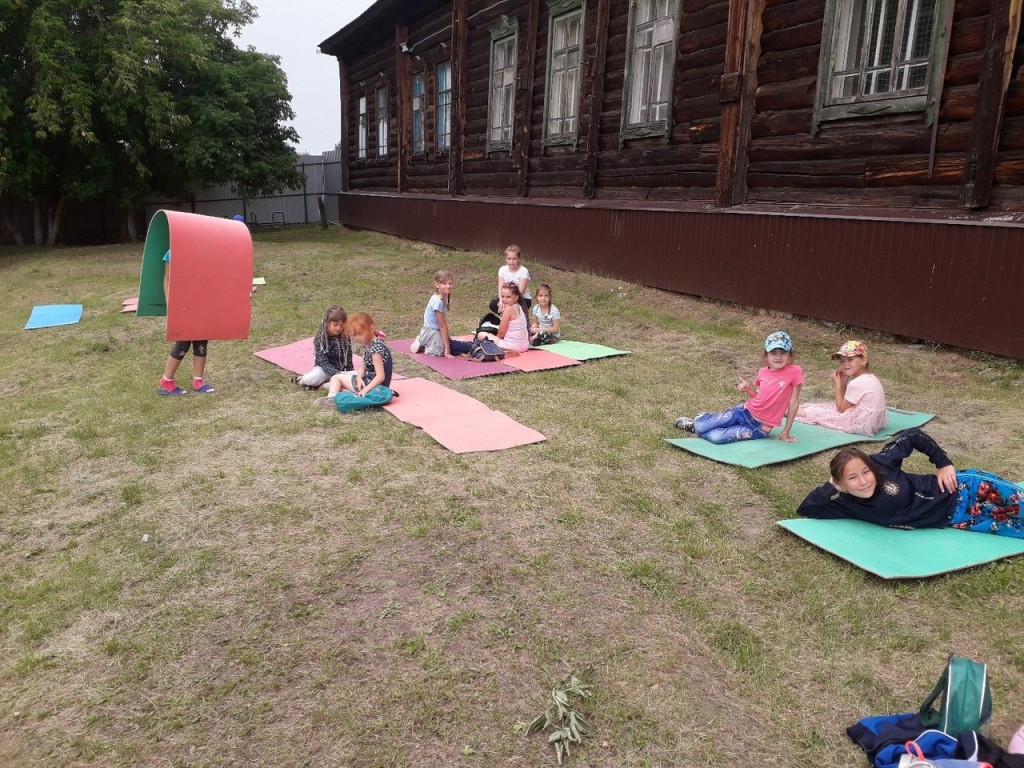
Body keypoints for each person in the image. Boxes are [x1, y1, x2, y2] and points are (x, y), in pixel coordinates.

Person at [797, 428, 1023, 538]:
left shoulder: (882, 464)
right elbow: (807, 509)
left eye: (866, 472)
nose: (864, 481)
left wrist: (943, 463)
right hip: (958, 519)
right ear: (841, 484)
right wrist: (830, 487)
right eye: (852, 478)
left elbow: (912, 435)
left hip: (967, 490)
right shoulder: (847, 505)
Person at [674, 331, 803, 443]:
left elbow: (794, 401)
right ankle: (704, 420)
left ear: (790, 355)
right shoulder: (763, 372)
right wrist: (748, 389)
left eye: (783, 353)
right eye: (773, 353)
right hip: (743, 411)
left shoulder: (795, 371)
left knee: (715, 437)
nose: (778, 357)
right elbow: (761, 397)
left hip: (760, 427)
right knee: (702, 426)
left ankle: (697, 427)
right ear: (766, 356)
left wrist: (786, 431)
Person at [795, 340, 887, 436]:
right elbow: (845, 403)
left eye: (850, 359)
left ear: (864, 361)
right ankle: (793, 407)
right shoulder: (871, 377)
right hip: (873, 422)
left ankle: (788, 411)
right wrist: (843, 383)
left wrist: (837, 384)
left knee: (818, 413)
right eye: (842, 361)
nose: (845, 364)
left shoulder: (857, 383)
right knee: (824, 407)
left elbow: (841, 409)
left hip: (859, 423)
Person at [157, 248, 214, 396]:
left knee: (201, 341)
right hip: (182, 305)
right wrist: (170, 303)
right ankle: (167, 381)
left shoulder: (204, 249)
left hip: (200, 303)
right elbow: (167, 279)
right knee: (183, 343)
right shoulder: (172, 252)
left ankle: (198, 381)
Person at [316, 312, 393, 407]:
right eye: (354, 335)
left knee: (336, 378)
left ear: (371, 328)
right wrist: (359, 377)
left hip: (375, 387)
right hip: (370, 383)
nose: (357, 338)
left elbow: (380, 376)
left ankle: (331, 399)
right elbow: (363, 366)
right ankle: (343, 393)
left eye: (360, 333)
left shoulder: (376, 349)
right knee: (341, 383)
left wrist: (365, 390)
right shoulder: (370, 344)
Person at [411, 270, 474, 358]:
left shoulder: (442, 297)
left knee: (463, 345)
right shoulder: (438, 302)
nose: (448, 286)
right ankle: (425, 343)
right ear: (437, 285)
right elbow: (442, 326)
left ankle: (423, 342)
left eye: (450, 283)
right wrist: (447, 349)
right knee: (463, 347)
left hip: (430, 331)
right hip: (433, 333)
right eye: (444, 284)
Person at [293, 305, 354, 390]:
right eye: (335, 325)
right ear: (327, 323)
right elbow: (323, 362)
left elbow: (349, 358)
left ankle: (322, 386)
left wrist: (349, 372)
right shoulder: (321, 338)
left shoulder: (345, 337)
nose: (339, 328)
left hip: (342, 371)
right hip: (324, 371)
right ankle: (301, 380)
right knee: (312, 379)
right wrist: (338, 374)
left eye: (341, 325)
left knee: (357, 379)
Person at [473, 282, 530, 354]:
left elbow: (501, 333)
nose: (504, 299)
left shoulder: (509, 309)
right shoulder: (519, 306)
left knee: (480, 334)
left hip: (512, 347)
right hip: (525, 345)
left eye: (508, 297)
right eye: (502, 296)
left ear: (516, 297)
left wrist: (496, 340)